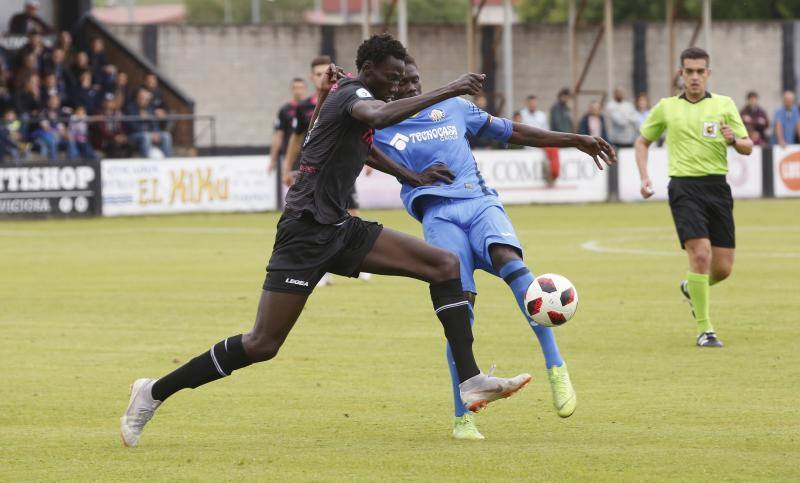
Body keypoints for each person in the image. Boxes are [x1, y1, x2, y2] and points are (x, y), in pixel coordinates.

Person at [119, 33, 531, 448]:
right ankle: (152, 393)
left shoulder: (348, 94)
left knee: (445, 266)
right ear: (368, 71)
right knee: (263, 343)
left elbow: (361, 145)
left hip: (340, 228)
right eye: (390, 78)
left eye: (400, 79)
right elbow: (376, 117)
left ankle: (471, 380)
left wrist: (411, 176)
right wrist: (451, 88)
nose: (395, 87)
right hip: (304, 231)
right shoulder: (354, 93)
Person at [370, 55, 616, 440]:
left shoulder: (453, 107)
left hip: (479, 202)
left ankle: (556, 367)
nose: (411, 87)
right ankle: (463, 418)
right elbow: (355, 146)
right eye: (401, 82)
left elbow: (513, 131)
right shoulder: (382, 124)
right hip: (439, 216)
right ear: (389, 86)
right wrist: (411, 176)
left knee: (511, 262)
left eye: (415, 79)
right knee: (460, 312)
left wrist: (575, 139)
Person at [635, 47, 752, 348]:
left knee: (723, 268)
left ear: (708, 74)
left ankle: (692, 287)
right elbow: (642, 142)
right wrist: (645, 176)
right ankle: (705, 329)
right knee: (700, 255)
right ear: (681, 74)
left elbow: (748, 146)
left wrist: (734, 140)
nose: (695, 77)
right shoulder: (666, 107)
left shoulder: (724, 105)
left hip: (717, 188)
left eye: (701, 71)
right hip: (684, 188)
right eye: (690, 71)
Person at [268, 78, 306, 174]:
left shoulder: (310, 108)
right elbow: (278, 136)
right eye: (295, 88)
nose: (298, 91)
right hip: (291, 157)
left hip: (308, 157)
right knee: (292, 186)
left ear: (305, 89)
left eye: (300, 88)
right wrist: (273, 160)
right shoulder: (284, 110)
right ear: (291, 89)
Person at [125, 87, 172, 157]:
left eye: (146, 99)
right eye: (141, 98)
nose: (144, 101)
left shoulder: (150, 108)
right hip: (134, 135)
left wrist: (156, 132)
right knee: (146, 137)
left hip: (150, 134)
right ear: (137, 97)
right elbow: (132, 127)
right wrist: (141, 119)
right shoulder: (130, 108)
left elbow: (154, 124)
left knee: (166, 136)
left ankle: (168, 161)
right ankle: (147, 162)